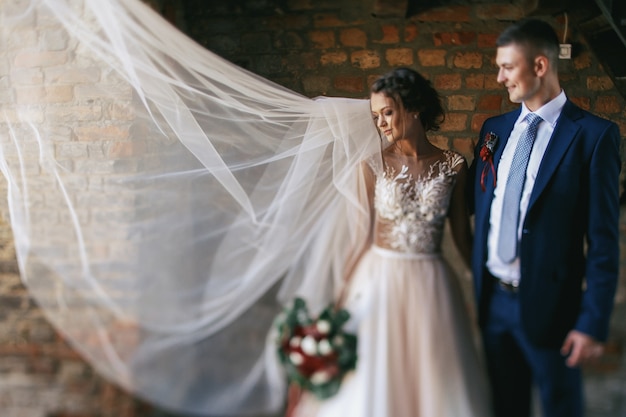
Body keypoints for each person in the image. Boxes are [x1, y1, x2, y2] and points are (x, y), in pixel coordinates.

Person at [292, 67, 493, 417]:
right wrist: (338, 303)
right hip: (377, 280)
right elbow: (360, 238)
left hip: (431, 283)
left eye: (387, 112)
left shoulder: (454, 165)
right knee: (375, 375)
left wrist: (485, 283)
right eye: (375, 116)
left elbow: (462, 236)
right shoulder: (370, 165)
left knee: (431, 375)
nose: (381, 123)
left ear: (413, 108)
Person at [469, 18, 621, 417]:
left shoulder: (594, 136)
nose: (499, 76)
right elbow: (480, 202)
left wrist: (591, 322)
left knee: (560, 407)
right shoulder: (494, 130)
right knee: (505, 406)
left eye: (507, 66)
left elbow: (604, 242)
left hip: (554, 308)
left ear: (539, 66)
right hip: (493, 303)